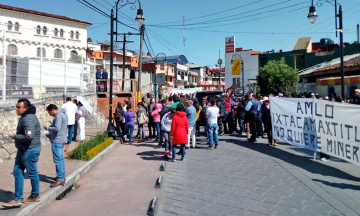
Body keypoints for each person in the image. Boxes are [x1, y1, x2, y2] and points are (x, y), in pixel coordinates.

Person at [2, 99, 41, 208]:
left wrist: (15, 136)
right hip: (23, 149)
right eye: (16, 106)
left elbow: (29, 136)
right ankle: (17, 198)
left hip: (30, 150)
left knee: (32, 173)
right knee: (17, 171)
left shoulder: (28, 119)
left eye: (19, 107)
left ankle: (35, 195)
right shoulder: (26, 117)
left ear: (26, 108)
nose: (16, 109)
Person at [44, 104, 68, 187]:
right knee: (60, 159)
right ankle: (61, 176)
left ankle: (60, 178)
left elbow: (57, 128)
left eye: (49, 112)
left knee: (58, 159)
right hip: (61, 139)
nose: (50, 114)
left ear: (53, 110)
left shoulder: (58, 116)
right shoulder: (63, 114)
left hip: (57, 140)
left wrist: (47, 128)